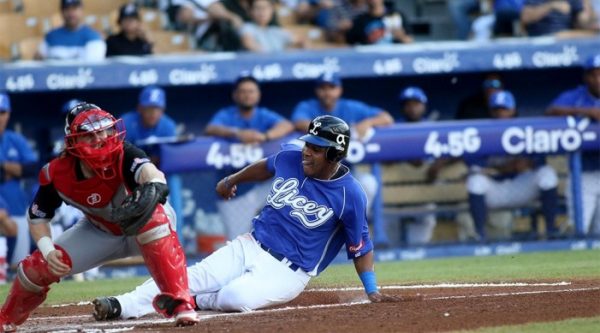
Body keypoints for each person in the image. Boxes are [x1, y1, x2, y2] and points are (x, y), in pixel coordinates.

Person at [92, 115, 402, 321]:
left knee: (235, 297)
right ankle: (121, 305)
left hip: (290, 272)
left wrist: (371, 289)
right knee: (190, 276)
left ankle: (198, 302)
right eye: (308, 143)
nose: (307, 151)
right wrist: (231, 180)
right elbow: (265, 166)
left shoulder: (350, 194)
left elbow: (360, 246)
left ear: (335, 155)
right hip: (251, 244)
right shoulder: (291, 157)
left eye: (317, 148)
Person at [0, 102, 199, 331]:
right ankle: (6, 318)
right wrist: (48, 249)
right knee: (36, 266)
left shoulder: (125, 153)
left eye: (105, 130)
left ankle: (181, 302)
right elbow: (37, 218)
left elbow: (150, 173)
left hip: (142, 228)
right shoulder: (57, 173)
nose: (101, 138)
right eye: (89, 134)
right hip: (100, 231)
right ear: (72, 141)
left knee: (154, 217)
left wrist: (154, 184)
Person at [291, 72, 394, 246]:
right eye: (323, 88)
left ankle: (354, 227)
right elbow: (298, 122)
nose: (327, 92)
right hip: (315, 177)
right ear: (317, 91)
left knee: (368, 183)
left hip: (345, 174)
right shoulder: (308, 106)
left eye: (332, 88)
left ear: (339, 90)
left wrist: (367, 122)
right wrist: (334, 130)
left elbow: (386, 117)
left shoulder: (350, 107)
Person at [204, 74, 294, 239]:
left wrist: (265, 136)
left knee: (290, 183)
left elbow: (287, 125)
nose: (247, 95)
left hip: (264, 186)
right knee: (237, 241)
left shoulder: (263, 115)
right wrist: (238, 133)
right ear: (235, 95)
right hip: (235, 190)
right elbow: (211, 128)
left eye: (251, 91)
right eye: (243, 91)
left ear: (258, 94)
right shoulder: (227, 115)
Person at [466, 90, 560, 241]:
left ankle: (551, 230)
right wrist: (506, 167)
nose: (501, 114)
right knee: (475, 181)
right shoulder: (480, 134)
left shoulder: (527, 132)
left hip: (521, 187)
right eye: (497, 110)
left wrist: (529, 163)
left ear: (513, 110)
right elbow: (475, 168)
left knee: (547, 174)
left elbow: (540, 162)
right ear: (491, 112)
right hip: (495, 190)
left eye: (505, 109)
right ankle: (480, 235)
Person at [120, 86, 185, 242]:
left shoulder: (168, 125)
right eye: (148, 108)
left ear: (162, 110)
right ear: (139, 108)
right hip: (126, 174)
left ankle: (176, 241)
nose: (152, 113)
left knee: (173, 185)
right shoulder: (126, 123)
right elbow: (119, 156)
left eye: (156, 109)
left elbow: (166, 158)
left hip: (158, 174)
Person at [546, 54, 600, 236]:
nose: (597, 79)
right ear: (586, 77)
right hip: (583, 174)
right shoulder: (576, 96)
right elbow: (550, 112)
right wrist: (586, 112)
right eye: (593, 74)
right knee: (580, 229)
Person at [393, 87, 437, 245]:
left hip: (424, 187)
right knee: (390, 228)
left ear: (424, 106)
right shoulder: (393, 127)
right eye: (408, 104)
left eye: (416, 104)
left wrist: (436, 165)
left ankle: (418, 251)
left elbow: (452, 151)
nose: (412, 108)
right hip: (396, 188)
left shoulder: (433, 127)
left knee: (427, 215)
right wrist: (407, 156)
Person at [0, 92, 38, 268]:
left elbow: (31, 169)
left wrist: (3, 167)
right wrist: (14, 169)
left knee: (17, 267)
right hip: (3, 214)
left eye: (2, 112)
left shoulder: (14, 139)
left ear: (8, 114)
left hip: (17, 208)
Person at [36, 0, 106, 61]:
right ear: (61, 12)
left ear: (81, 10)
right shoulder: (51, 36)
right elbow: (39, 60)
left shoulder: (93, 37)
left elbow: (94, 68)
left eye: (74, 8)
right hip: (56, 75)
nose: (71, 13)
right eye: (67, 9)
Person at [240, 0, 305, 52]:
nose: (262, 12)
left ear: (271, 11)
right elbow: (248, 43)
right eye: (258, 8)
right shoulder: (247, 27)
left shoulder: (276, 31)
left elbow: (299, 41)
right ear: (251, 11)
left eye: (265, 8)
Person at [345, 0, 413, 45]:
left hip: (393, 61)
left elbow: (409, 41)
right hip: (370, 61)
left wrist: (401, 37)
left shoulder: (397, 15)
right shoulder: (360, 21)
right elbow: (348, 45)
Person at [520, 0, 587, 37]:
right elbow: (525, 18)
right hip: (542, 38)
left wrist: (586, 3)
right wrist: (551, 6)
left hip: (568, 37)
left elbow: (583, 22)